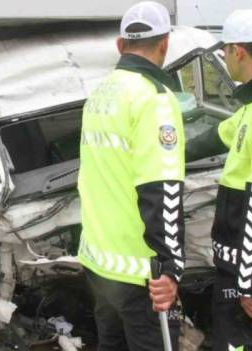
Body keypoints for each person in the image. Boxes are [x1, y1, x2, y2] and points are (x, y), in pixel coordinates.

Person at [76, 2, 186, 350]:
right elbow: (162, 189)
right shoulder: (155, 99)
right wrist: (171, 268)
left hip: (99, 263)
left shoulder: (99, 94)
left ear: (120, 45)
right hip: (141, 273)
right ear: (165, 43)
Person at [188, 9, 252, 350]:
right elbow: (217, 135)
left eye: (226, 50)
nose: (226, 58)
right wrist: (164, 153)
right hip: (245, 264)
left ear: (238, 51)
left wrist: (248, 284)